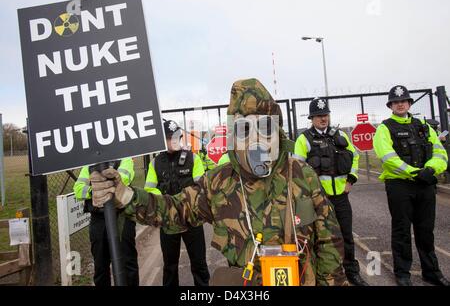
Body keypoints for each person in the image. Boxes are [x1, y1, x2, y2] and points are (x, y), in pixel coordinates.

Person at [89, 78, 347, 286]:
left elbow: (329, 240)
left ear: (278, 131)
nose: (257, 139)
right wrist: (127, 197)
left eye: (265, 127)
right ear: (234, 135)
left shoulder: (301, 174)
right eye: (245, 129)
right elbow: (174, 210)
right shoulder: (219, 183)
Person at [373, 85, 449, 286]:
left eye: (404, 101)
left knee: (426, 230)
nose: (400, 104)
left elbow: (440, 153)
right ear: (391, 105)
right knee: (402, 230)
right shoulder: (384, 128)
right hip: (400, 186)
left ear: (409, 103)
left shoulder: (423, 126)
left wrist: (431, 169)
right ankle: (403, 273)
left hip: (424, 184)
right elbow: (388, 158)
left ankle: (431, 271)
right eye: (396, 102)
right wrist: (416, 173)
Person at [293, 98, 368, 286]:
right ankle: (321, 274)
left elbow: (355, 157)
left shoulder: (340, 135)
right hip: (317, 201)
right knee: (319, 238)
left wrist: (351, 179)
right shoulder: (304, 139)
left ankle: (351, 272)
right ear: (312, 118)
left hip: (341, 197)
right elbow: (297, 169)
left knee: (346, 236)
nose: (323, 118)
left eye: (325, 115)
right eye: (319, 116)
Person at [144, 120, 210, 286]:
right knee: (170, 267)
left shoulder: (193, 159)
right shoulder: (155, 163)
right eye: (169, 137)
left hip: (192, 220)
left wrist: (183, 202)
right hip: (168, 222)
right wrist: (166, 204)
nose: (173, 140)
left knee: (199, 264)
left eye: (176, 137)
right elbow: (149, 189)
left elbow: (201, 186)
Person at [73, 158, 139, 286]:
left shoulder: (125, 159)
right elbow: (78, 190)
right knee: (100, 265)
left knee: (127, 263)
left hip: (121, 216)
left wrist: (101, 187)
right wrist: (94, 191)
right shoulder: (89, 164)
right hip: (98, 219)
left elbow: (123, 180)